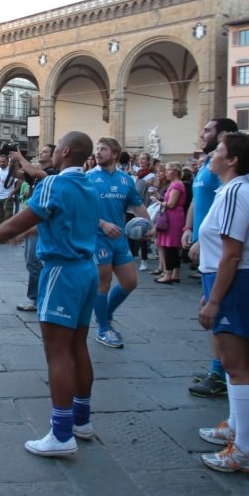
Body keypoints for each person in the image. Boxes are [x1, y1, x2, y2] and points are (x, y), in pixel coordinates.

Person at [0, 131, 100, 457]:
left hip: (62, 273)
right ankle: (81, 420)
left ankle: (61, 433)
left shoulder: (55, 184)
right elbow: (62, 220)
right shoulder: (90, 185)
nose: (47, 155)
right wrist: (29, 231)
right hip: (87, 270)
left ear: (65, 151)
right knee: (78, 346)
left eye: (53, 150)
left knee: (57, 353)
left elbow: (15, 222)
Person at [191, 132, 249, 474]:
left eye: (218, 150)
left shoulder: (237, 192)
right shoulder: (232, 190)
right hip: (224, 280)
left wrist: (214, 299)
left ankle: (244, 451)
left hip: (234, 284)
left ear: (233, 159)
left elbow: (232, 254)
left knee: (236, 366)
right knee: (232, 361)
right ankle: (235, 429)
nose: (212, 154)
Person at [183, 118, 239, 398]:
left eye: (207, 130)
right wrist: (189, 228)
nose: (201, 133)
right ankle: (217, 368)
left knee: (217, 312)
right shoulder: (208, 164)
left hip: (217, 248)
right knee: (209, 310)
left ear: (223, 135)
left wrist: (204, 241)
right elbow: (196, 199)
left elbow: (223, 207)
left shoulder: (229, 172)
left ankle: (221, 373)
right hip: (206, 244)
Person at [89, 137, 152, 348]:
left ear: (115, 154)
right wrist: (103, 224)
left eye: (103, 149)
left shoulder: (126, 180)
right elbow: (81, 209)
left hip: (120, 239)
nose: (98, 152)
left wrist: (149, 225)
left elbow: (138, 206)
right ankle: (103, 329)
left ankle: (104, 314)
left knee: (130, 282)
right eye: (97, 149)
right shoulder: (88, 178)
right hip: (99, 238)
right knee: (103, 282)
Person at [11, 145, 58, 311]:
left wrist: (20, 157)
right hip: (32, 220)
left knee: (34, 262)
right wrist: (12, 160)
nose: (40, 153)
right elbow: (15, 175)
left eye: (45, 151)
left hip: (41, 222)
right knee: (32, 262)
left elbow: (36, 173)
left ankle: (36, 299)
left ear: (53, 156)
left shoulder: (53, 172)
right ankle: (41, 296)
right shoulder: (36, 176)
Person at [155, 162, 187, 284]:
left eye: (168, 170)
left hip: (173, 216)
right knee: (172, 246)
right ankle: (175, 273)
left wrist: (160, 203)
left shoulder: (176, 185)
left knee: (169, 246)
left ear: (176, 171)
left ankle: (168, 274)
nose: (166, 172)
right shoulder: (176, 184)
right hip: (174, 215)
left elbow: (172, 204)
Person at [0, 154, 20, 224]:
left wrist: (12, 193)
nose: (2, 163)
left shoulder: (11, 171)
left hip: (8, 196)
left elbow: (19, 183)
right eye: (0, 161)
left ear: (7, 162)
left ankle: (8, 234)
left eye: (4, 161)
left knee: (8, 218)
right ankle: (1, 234)